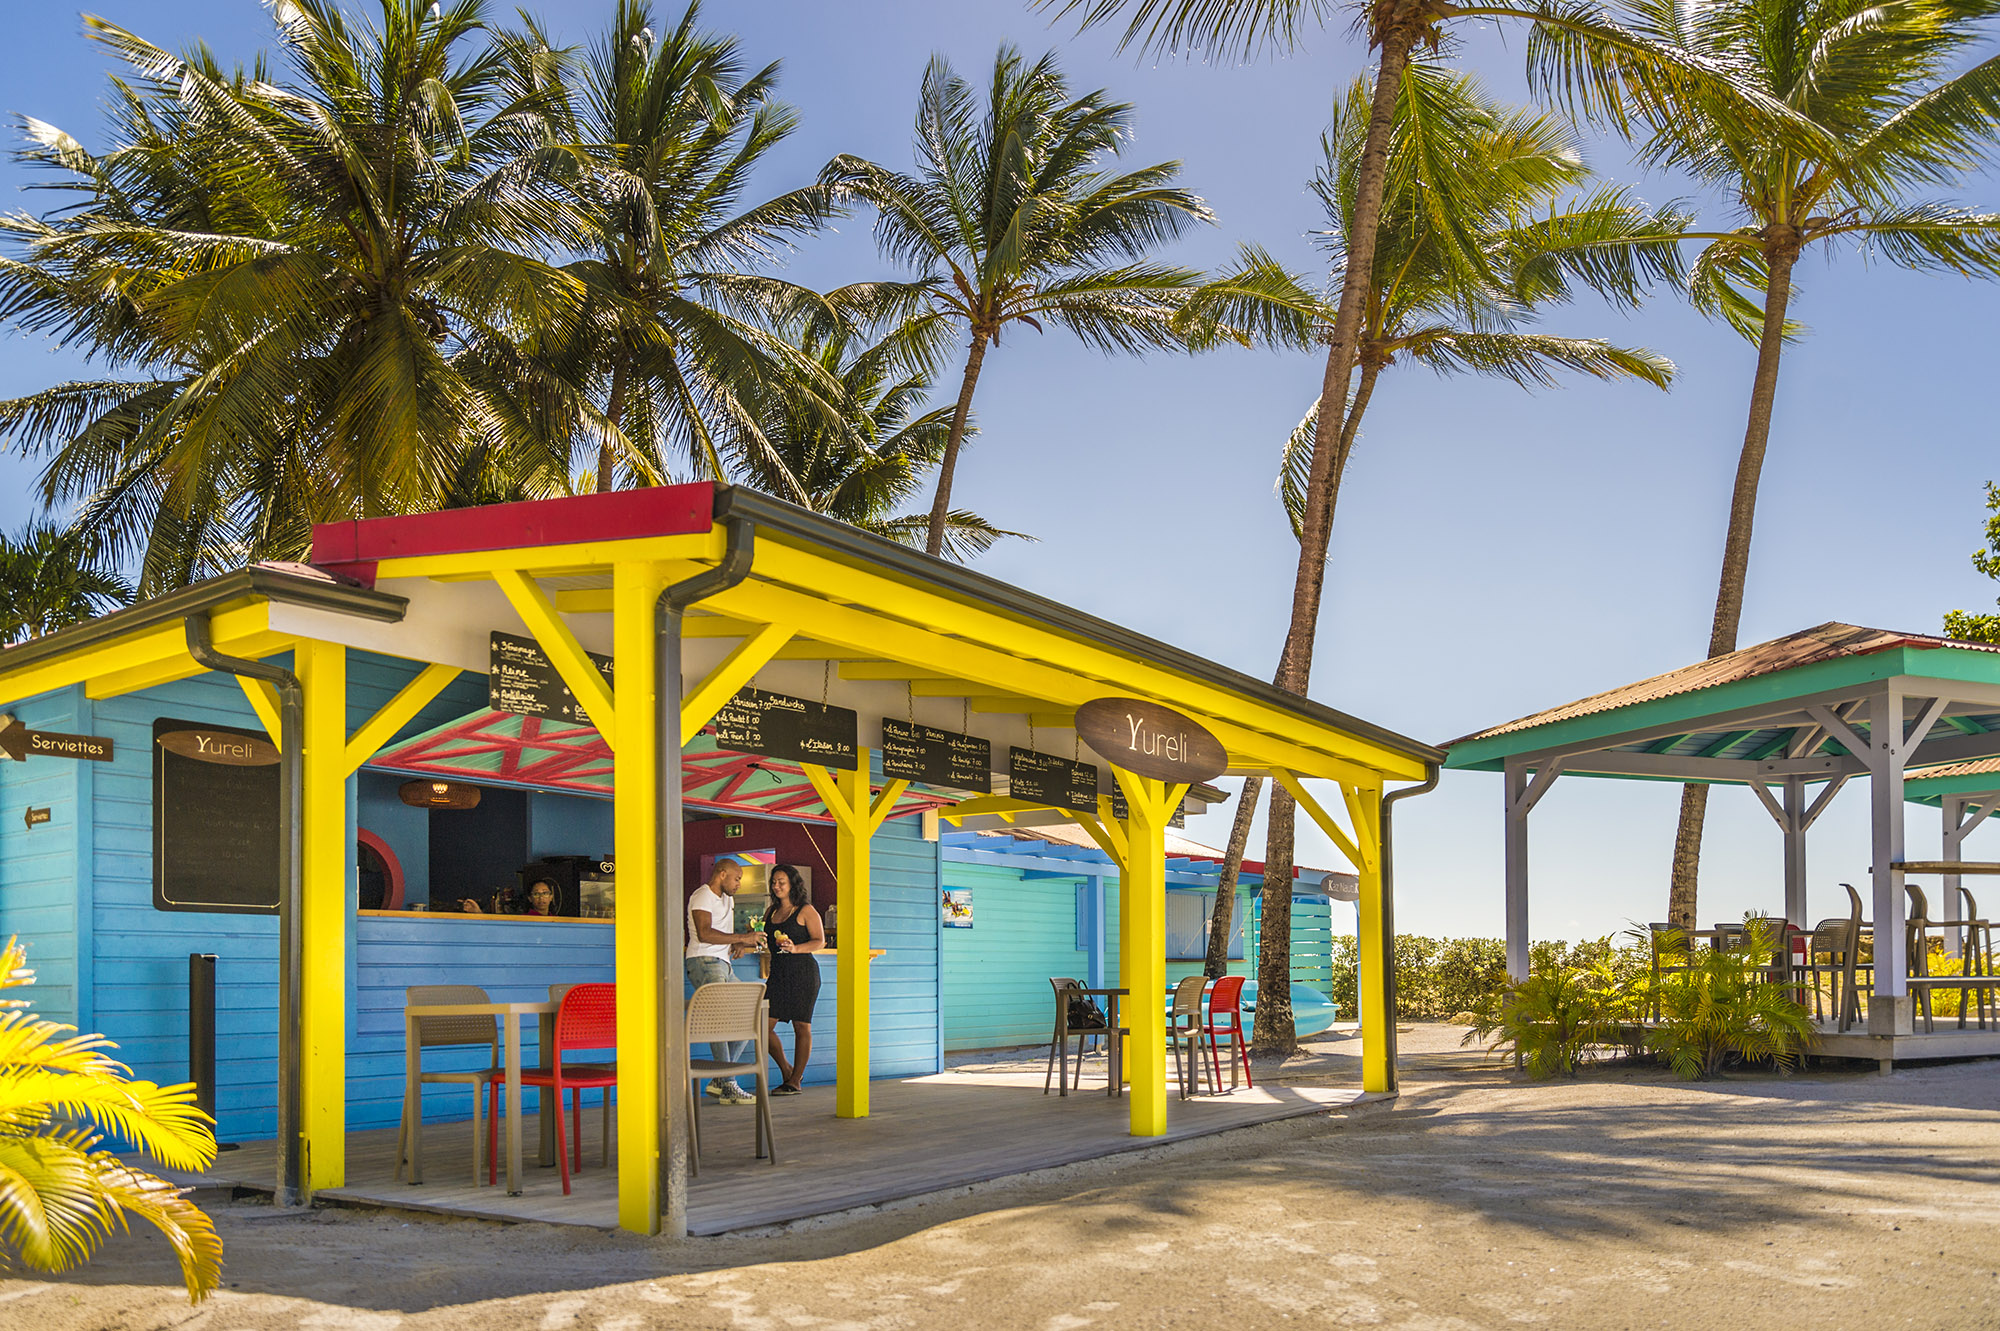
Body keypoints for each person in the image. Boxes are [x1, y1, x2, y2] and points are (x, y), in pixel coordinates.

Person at [686, 859, 761, 1105]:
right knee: (719, 1018)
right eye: (737, 878)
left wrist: (736, 943)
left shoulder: (728, 899)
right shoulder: (702, 896)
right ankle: (727, 1083)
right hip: (704, 961)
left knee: (751, 1012)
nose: (739, 884)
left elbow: (720, 934)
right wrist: (743, 937)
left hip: (723, 964)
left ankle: (721, 1078)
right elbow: (705, 933)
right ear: (721, 874)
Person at [762, 864, 824, 1094]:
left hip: (803, 974)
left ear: (792, 884)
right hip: (778, 975)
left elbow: (819, 941)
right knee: (762, 1027)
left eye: (781, 882)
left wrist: (796, 948)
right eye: (774, 882)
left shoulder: (805, 910)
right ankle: (788, 1071)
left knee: (802, 1026)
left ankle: (795, 1081)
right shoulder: (771, 912)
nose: (776, 886)